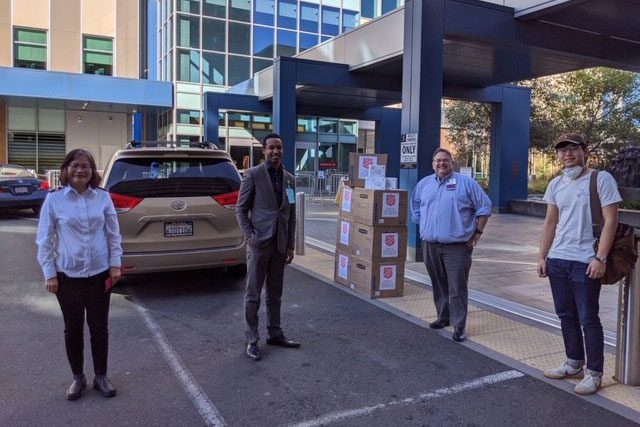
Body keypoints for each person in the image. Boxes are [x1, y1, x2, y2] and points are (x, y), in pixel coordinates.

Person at [537, 133, 621, 395]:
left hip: (586, 260)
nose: (567, 154)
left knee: (588, 317)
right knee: (565, 314)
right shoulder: (556, 183)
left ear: (585, 151)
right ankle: (574, 363)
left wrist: (601, 258)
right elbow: (550, 222)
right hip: (559, 258)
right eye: (562, 151)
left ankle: (594, 372)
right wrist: (543, 256)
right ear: (558, 156)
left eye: (573, 149)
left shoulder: (600, 179)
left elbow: (611, 221)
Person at [36, 149, 123, 400]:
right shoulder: (54, 200)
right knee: (72, 329)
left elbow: (113, 234)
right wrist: (49, 273)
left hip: (99, 276)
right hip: (67, 277)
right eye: (75, 165)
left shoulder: (102, 198)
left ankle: (101, 377)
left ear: (92, 170)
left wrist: (115, 265)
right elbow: (44, 239)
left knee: (99, 328)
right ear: (66, 169)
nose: (80, 170)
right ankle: (78, 378)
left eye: (86, 166)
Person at [410, 148, 492, 342]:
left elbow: (485, 207)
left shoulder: (466, 183)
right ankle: (443, 317)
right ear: (433, 163)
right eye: (438, 160)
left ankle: (459, 326)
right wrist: (427, 226)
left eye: (445, 160)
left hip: (457, 247)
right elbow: (415, 207)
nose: (441, 164)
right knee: (438, 284)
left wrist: (477, 232)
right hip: (430, 245)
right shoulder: (424, 184)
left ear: (452, 162)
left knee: (457, 287)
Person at [236, 133, 299, 361]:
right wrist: (251, 236)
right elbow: (241, 210)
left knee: (276, 294)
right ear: (264, 150)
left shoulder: (289, 179)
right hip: (259, 244)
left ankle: (275, 333)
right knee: (252, 295)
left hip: (280, 245)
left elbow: (291, 215)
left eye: (279, 148)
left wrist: (291, 244)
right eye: (271, 147)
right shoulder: (252, 175)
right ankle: (252, 340)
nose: (276, 151)